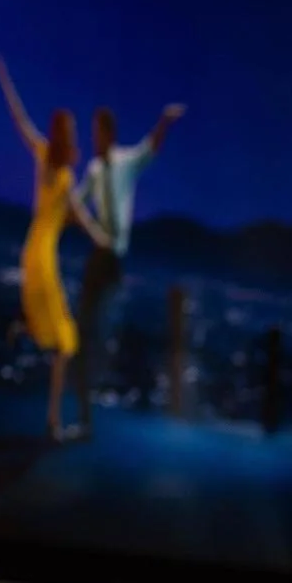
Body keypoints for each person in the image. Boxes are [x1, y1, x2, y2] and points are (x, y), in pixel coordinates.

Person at [0, 59, 112, 443]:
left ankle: (26, 327)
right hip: (41, 253)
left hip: (39, 250)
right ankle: (51, 422)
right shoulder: (48, 158)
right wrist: (6, 82)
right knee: (64, 341)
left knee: (61, 338)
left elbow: (75, 214)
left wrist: (97, 236)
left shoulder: (59, 170)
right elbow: (20, 119)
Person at [72, 100, 183, 435]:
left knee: (105, 330)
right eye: (93, 133)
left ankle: (103, 400)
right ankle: (84, 413)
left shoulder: (125, 162)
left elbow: (151, 147)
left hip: (115, 259)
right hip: (98, 255)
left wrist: (164, 120)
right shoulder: (93, 170)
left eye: (98, 132)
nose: (95, 139)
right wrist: (89, 226)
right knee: (85, 332)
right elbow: (75, 203)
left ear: (109, 134)